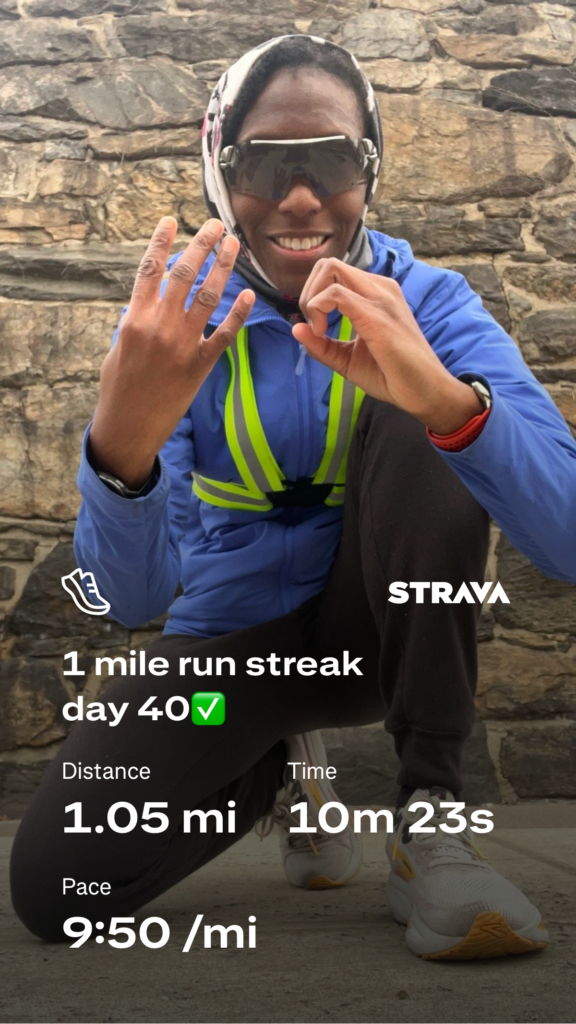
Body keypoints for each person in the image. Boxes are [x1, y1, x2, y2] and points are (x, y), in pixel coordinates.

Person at [10, 34, 576, 960]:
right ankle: (277, 772)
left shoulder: (432, 301)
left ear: (370, 169)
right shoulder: (176, 324)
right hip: (230, 661)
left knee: (424, 405)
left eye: (332, 162)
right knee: (60, 886)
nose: (302, 198)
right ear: (217, 170)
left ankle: (432, 818)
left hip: (381, 634)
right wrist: (121, 454)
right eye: (265, 165)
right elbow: (133, 600)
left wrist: (449, 407)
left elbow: (568, 543)